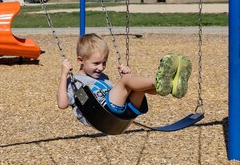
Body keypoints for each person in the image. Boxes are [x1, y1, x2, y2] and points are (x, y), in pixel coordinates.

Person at [57, 33, 191, 128]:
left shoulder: (102, 77)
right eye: (96, 63)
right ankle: (159, 81)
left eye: (104, 63)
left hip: (122, 109)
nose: (101, 68)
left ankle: (172, 85)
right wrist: (64, 75)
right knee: (127, 81)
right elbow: (62, 104)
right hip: (101, 113)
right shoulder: (74, 81)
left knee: (138, 87)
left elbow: (118, 93)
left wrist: (128, 77)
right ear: (80, 60)